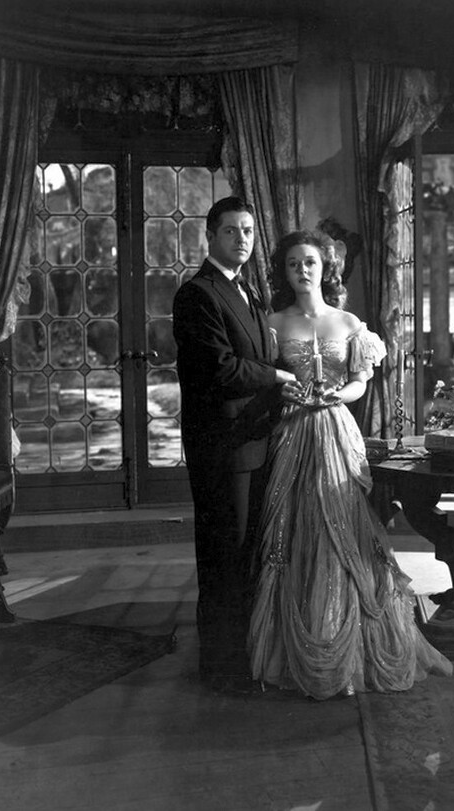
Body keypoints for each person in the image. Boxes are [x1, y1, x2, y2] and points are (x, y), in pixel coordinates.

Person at [247, 230, 453, 700]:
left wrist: (340, 394)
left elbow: (360, 381)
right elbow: (264, 378)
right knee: (295, 524)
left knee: (343, 521)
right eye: (294, 263)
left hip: (336, 429)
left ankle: (354, 638)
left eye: (310, 262)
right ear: (284, 271)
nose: (303, 270)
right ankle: (297, 643)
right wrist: (285, 389)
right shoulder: (273, 323)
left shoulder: (348, 323)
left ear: (326, 268)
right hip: (293, 430)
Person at [172, 197, 297, 665]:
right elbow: (221, 369)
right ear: (210, 236)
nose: (242, 239)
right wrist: (279, 376)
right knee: (224, 553)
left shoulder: (247, 291)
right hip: (222, 445)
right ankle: (221, 663)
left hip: (253, 439)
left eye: (248, 230)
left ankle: (244, 654)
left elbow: (259, 356)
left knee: (246, 552)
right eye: (231, 230)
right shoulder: (197, 294)